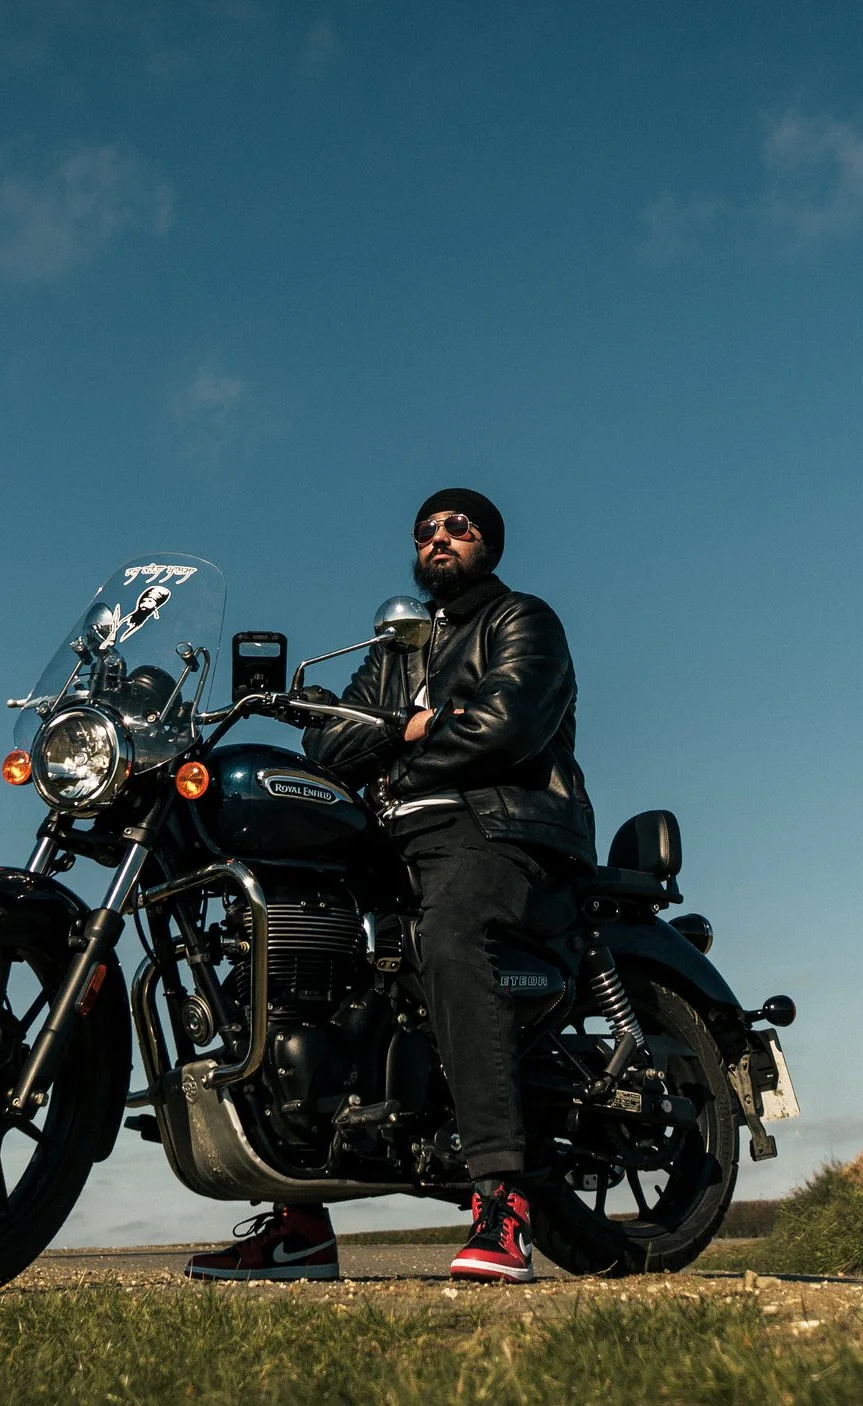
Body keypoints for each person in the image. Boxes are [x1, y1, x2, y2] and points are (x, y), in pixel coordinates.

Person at [184, 488, 596, 1285]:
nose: (439, 538)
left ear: (489, 545)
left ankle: (502, 1200)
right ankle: (302, 1225)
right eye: (426, 531)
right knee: (285, 950)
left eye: (458, 527)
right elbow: (339, 738)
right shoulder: (397, 647)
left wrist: (401, 745)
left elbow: (507, 725)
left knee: (449, 937)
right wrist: (408, 726)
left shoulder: (522, 621)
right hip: (394, 831)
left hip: (497, 823)